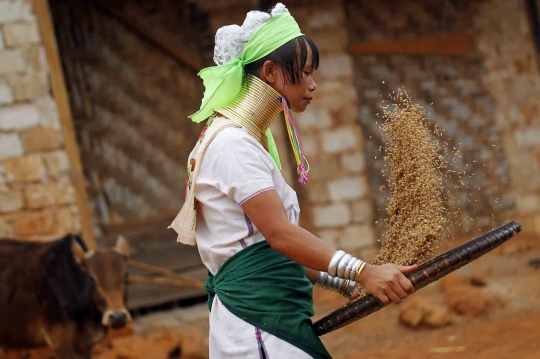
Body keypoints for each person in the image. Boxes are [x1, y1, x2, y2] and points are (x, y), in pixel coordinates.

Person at [170, 4, 417, 358]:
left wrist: (348, 284)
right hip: (257, 326)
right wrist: (363, 272)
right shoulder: (232, 143)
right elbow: (280, 236)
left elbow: (271, 250)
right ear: (270, 72)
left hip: (268, 321)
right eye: (304, 72)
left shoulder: (239, 139)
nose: (313, 84)